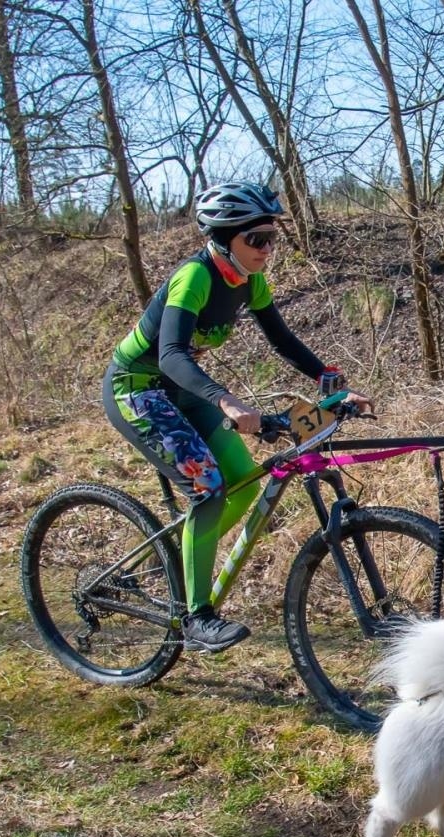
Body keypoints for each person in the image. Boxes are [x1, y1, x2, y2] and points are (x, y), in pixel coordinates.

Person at [103, 182, 374, 652]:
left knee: (244, 479)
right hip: (138, 388)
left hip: (183, 391)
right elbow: (168, 355)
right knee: (208, 487)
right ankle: (196, 615)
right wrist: (227, 400)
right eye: (257, 239)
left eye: (272, 238)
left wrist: (332, 382)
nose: (267, 248)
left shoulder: (251, 280)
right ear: (225, 237)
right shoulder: (196, 276)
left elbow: (283, 342)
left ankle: (180, 562)